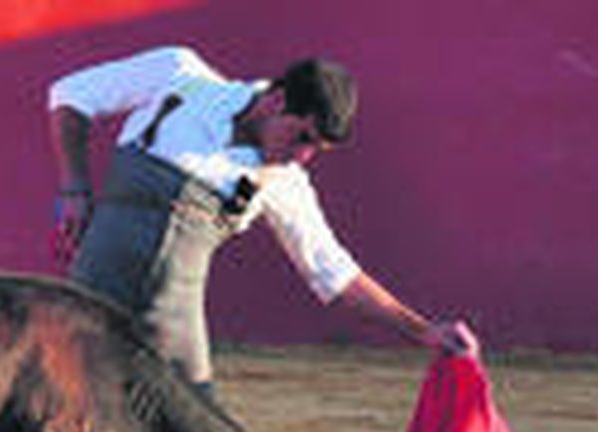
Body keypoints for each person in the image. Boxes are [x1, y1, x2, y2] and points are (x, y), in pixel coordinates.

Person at [47, 46, 479, 396]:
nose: (301, 157)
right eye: (302, 136)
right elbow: (71, 95)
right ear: (275, 100)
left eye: (316, 150)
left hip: (171, 334)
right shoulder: (179, 74)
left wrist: (423, 331)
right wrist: (74, 187)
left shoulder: (283, 182)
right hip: (88, 300)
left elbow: (333, 272)